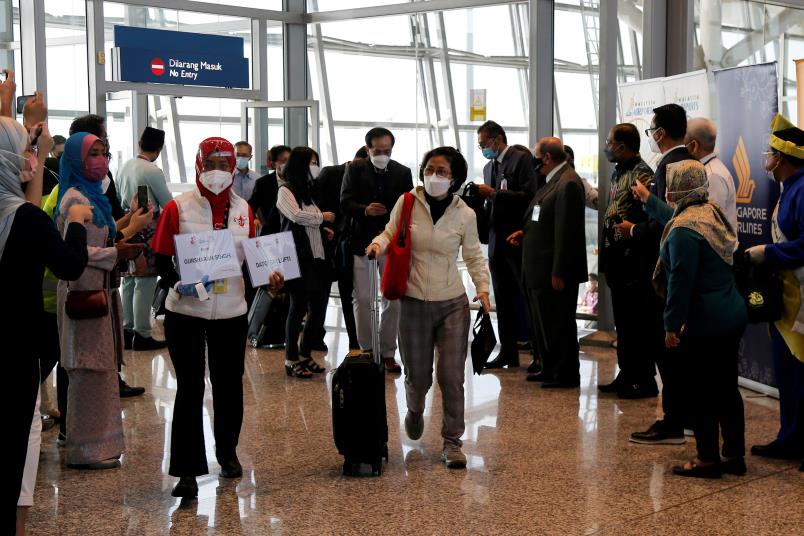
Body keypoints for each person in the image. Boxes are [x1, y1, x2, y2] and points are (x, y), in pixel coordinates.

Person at [151, 137, 281, 498]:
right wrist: (179, 284)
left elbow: (252, 262)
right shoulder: (178, 208)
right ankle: (188, 471)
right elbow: (160, 259)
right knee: (190, 388)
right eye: (212, 165)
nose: (219, 172)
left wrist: (270, 279)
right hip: (186, 311)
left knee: (228, 385)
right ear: (198, 165)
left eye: (225, 166)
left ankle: (227, 452)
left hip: (230, 312)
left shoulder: (243, 210)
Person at [366, 146, 490, 468]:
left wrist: (483, 289)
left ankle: (453, 442)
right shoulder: (408, 202)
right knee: (419, 376)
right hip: (413, 301)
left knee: (451, 376)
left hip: (452, 303)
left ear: (455, 178)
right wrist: (378, 245)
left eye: (443, 172)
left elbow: (475, 256)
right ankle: (415, 407)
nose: (434, 176)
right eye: (430, 169)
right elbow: (390, 231)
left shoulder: (465, 214)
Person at [0, 114, 90, 536]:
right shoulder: (28, 222)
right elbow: (70, 263)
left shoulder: (17, 217)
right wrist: (75, 222)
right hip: (15, 349)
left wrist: (32, 144)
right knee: (19, 447)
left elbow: (27, 211)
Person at [636, 160, 746, 478]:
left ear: (681, 188)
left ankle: (707, 459)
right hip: (731, 314)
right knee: (726, 388)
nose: (667, 191)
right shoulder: (708, 213)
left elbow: (680, 284)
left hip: (706, 321)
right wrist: (649, 202)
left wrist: (671, 326)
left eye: (670, 185)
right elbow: (675, 217)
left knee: (701, 390)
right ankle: (734, 456)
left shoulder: (683, 233)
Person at [55, 132, 151, 471]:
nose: (100, 160)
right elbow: (74, 252)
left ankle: (101, 445)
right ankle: (85, 450)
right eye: (92, 154)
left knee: (102, 373)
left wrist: (130, 225)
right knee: (87, 372)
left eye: (103, 153)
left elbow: (103, 235)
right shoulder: (72, 200)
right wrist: (116, 252)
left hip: (101, 293)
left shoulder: (91, 197)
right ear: (75, 161)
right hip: (84, 295)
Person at [621, 104, 696, 445]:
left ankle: (673, 421)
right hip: (683, 262)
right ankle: (683, 416)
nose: (650, 136)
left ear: (661, 132)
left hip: (664, 266)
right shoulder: (691, 163)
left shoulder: (668, 165)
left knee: (666, 347)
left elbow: (667, 221)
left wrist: (636, 225)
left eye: (651, 130)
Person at [745, 114, 804, 472]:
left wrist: (768, 252)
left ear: (780, 157)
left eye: (769, 151)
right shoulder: (791, 189)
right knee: (788, 374)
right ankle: (790, 437)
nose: (765, 157)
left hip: (802, 298)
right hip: (788, 298)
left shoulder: (803, 190)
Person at [508, 137, 587, 388]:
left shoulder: (569, 183)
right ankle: (549, 366)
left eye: (535, 156)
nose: (532, 162)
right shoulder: (553, 180)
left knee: (558, 323)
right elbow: (545, 219)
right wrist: (526, 233)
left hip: (552, 270)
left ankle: (565, 373)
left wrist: (559, 270)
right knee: (544, 322)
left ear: (547, 158)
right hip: (538, 267)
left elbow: (568, 232)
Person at [340, 127, 413, 373]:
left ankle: (388, 351)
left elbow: (408, 206)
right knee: (362, 297)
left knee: (393, 298)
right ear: (368, 149)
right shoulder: (355, 169)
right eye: (378, 150)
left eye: (387, 151)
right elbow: (345, 202)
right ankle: (367, 349)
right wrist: (364, 209)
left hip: (391, 244)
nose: (383, 154)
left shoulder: (403, 172)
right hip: (361, 241)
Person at [598, 123, 661, 399]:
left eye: (610, 141)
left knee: (638, 324)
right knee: (624, 324)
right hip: (616, 262)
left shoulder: (642, 174)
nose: (607, 146)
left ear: (622, 146)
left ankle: (644, 380)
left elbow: (647, 219)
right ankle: (627, 374)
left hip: (634, 262)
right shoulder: (619, 172)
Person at [476, 120, 538, 368]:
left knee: (524, 296)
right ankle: (508, 352)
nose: (483, 148)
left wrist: (493, 193)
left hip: (516, 239)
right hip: (495, 241)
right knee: (503, 299)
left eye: (484, 144)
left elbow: (530, 197)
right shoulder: (488, 166)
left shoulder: (521, 160)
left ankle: (537, 353)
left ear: (497, 139)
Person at [278, 146, 335, 378]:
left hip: (319, 257)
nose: (315, 167)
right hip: (299, 258)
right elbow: (296, 216)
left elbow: (310, 220)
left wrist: (324, 228)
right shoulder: (286, 190)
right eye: (311, 162)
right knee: (297, 309)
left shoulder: (309, 191)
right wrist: (323, 217)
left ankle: (305, 354)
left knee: (318, 311)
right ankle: (291, 358)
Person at [117, 126, 172, 351]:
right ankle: (142, 334)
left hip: (127, 220)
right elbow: (168, 203)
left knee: (130, 278)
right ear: (158, 149)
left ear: (140, 142)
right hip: (148, 224)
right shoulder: (152, 170)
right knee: (146, 279)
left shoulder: (124, 167)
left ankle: (127, 329)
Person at [312, 147, 369, 354]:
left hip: (349, 241)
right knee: (321, 292)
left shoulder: (367, 179)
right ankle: (315, 336)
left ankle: (355, 341)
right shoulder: (331, 173)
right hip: (326, 239)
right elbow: (314, 204)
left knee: (348, 292)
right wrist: (323, 227)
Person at [683, 118, 738, 234]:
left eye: (684, 144)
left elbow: (710, 223)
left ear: (694, 145)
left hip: (717, 250)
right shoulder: (706, 170)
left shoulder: (712, 176)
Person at [249, 144, 291, 235]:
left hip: (293, 233)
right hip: (271, 234)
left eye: (290, 161)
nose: (287, 165)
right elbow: (251, 206)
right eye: (283, 161)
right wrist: (254, 219)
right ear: (274, 163)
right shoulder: (263, 183)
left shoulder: (297, 182)